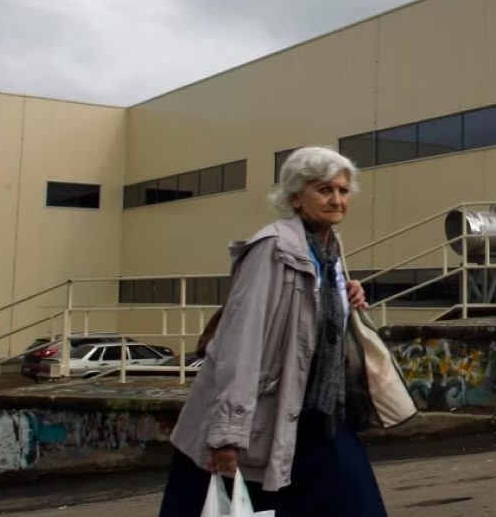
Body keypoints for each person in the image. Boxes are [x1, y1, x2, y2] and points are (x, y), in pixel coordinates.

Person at [159, 147, 387, 516]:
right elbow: (240, 343)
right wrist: (228, 434)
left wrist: (347, 297)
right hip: (265, 416)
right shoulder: (273, 248)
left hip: (320, 415)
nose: (337, 200)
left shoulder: (329, 248)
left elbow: (310, 321)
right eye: (324, 190)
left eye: (343, 191)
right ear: (295, 197)